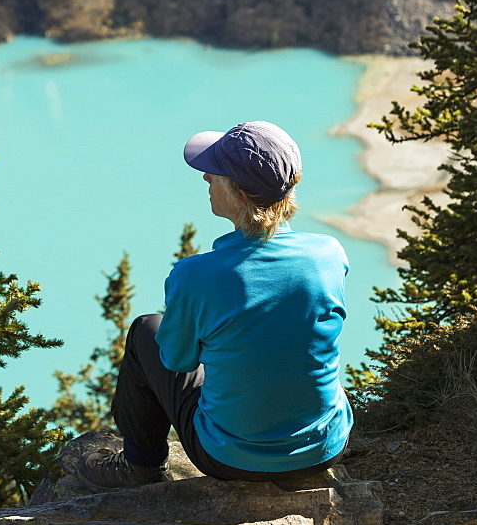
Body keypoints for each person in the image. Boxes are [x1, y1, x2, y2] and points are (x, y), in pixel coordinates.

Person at [76, 120, 353, 492]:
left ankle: (140, 465)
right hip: (324, 449)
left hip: (228, 459)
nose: (206, 178)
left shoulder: (195, 275)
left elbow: (177, 361)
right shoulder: (330, 254)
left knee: (146, 329)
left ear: (239, 196)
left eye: (215, 173)